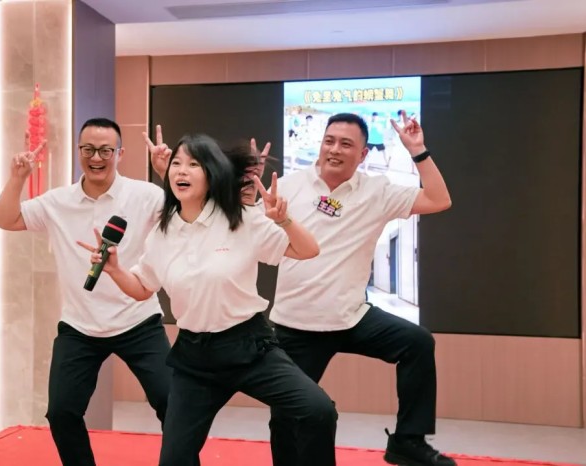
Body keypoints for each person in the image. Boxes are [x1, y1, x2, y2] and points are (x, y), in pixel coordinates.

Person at [80, 134, 338, 466]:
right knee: (174, 460)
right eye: (176, 163)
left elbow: (307, 250)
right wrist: (115, 270)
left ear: (211, 173)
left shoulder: (240, 219)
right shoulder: (162, 232)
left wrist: (283, 220)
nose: (180, 171)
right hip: (195, 358)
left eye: (193, 164)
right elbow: (142, 287)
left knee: (317, 410)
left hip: (250, 348)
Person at [267, 111, 455, 466]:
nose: (334, 150)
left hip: (351, 317)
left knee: (417, 342)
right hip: (297, 325)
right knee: (291, 418)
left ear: (364, 153)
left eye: (346, 144)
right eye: (329, 141)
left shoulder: (376, 191)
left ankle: (407, 440)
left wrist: (418, 151)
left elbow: (438, 199)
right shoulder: (289, 186)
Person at [0, 118, 172, 466]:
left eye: (106, 150)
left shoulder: (146, 195)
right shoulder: (58, 201)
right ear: (79, 152)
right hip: (80, 326)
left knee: (173, 403)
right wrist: (18, 177)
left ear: (120, 153)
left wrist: (166, 172)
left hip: (138, 320)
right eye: (88, 149)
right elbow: (5, 218)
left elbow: (189, 214)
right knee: (61, 412)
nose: (96, 158)